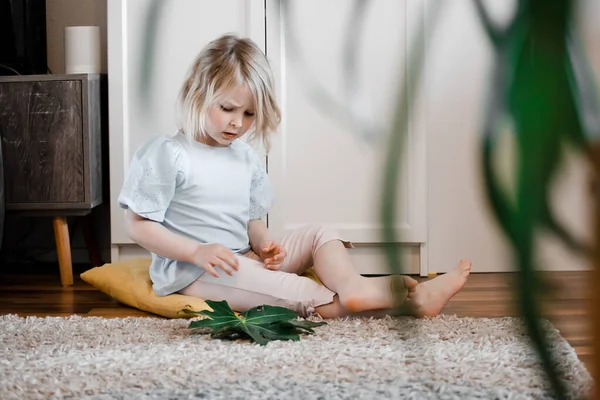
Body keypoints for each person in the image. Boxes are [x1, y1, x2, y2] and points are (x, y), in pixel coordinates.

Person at [119, 34, 471, 319]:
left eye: (249, 114)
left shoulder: (243, 155)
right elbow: (137, 225)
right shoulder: (169, 153)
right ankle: (413, 303)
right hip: (196, 272)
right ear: (197, 93)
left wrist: (265, 245)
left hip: (243, 254)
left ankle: (353, 286)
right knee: (300, 292)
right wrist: (196, 252)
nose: (237, 123)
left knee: (320, 233)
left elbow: (250, 219)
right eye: (226, 108)